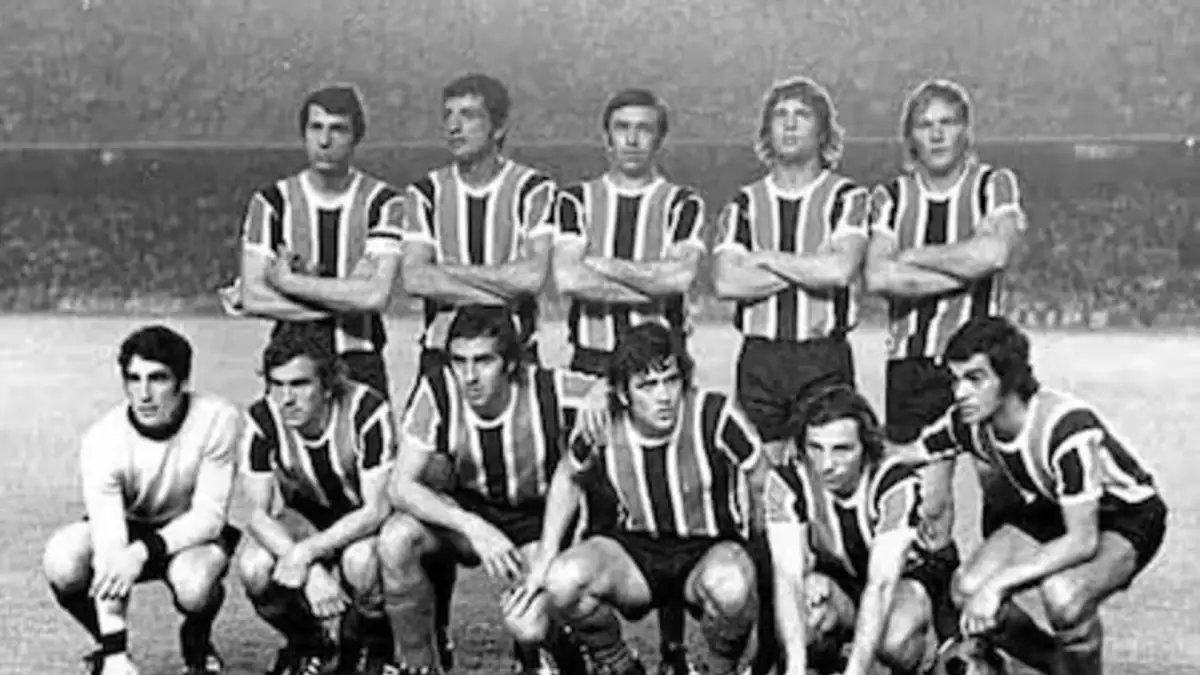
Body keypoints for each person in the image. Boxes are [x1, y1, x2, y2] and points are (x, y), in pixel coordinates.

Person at [395, 74, 558, 664]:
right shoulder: (424, 193)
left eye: (468, 114)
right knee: (430, 492)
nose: (454, 125)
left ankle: (535, 637)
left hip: (513, 361)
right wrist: (497, 280)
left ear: (499, 125)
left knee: (531, 492)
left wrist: (453, 275)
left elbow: (532, 277)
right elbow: (415, 277)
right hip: (442, 360)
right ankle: (435, 630)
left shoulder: (534, 189)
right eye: (448, 114)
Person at [862, 78, 1030, 641]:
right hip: (912, 366)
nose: (936, 134)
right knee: (928, 507)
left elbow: (996, 251)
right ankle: (951, 631)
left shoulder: (993, 184)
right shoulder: (890, 196)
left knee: (999, 490)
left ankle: (993, 614)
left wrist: (914, 257)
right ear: (911, 135)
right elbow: (879, 276)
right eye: (925, 124)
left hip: (985, 366)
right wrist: (964, 264)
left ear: (965, 130)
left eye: (947, 122)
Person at [507, 322, 769, 675]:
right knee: (563, 580)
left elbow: (762, 478)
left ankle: (721, 670)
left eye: (670, 381)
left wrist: (760, 550)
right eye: (647, 385)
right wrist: (544, 559)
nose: (663, 396)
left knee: (733, 585)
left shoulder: (715, 415)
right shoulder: (603, 421)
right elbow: (568, 476)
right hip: (635, 551)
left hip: (706, 549)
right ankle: (621, 666)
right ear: (623, 393)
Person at [913, 316, 1168, 674]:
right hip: (1058, 506)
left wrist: (998, 585)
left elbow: (1082, 541)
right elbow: (911, 452)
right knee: (968, 588)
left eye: (975, 379)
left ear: (1009, 378)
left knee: (1064, 598)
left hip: (1127, 514)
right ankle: (1057, 665)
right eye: (956, 380)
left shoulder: (1065, 428)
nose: (960, 393)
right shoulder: (969, 423)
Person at [552, 87, 706, 674]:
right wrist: (648, 279)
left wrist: (604, 264)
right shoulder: (575, 200)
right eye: (622, 127)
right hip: (590, 365)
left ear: (659, 137)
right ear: (606, 136)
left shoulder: (682, 203)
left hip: (659, 368)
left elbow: (679, 280)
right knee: (586, 496)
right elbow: (569, 279)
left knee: (668, 501)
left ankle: (673, 650)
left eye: (644, 128)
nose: (633, 138)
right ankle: (595, 647)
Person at [377, 305, 594, 675]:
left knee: (530, 624)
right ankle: (419, 666)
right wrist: (473, 527)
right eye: (459, 361)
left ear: (510, 364)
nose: (469, 376)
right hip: (468, 514)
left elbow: (614, 387)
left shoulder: (549, 388)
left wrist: (604, 395)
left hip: (533, 521)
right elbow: (400, 486)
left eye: (483, 361)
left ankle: (562, 648)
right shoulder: (439, 390)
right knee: (396, 539)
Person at [41, 326, 242, 675]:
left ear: (183, 381)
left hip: (190, 533)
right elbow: (110, 542)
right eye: (134, 379)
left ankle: (197, 638)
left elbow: (209, 517)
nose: (144, 394)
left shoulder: (218, 419)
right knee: (62, 560)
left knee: (194, 586)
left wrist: (141, 552)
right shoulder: (102, 440)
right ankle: (107, 647)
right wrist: (116, 653)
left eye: (158, 378)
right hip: (128, 528)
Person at [710, 76, 869, 465]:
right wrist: (809, 265)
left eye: (802, 115)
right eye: (780, 115)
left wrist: (765, 257)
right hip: (760, 359)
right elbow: (727, 281)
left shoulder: (847, 197)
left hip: (822, 357)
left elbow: (839, 270)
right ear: (767, 131)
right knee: (758, 476)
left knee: (825, 472)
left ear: (823, 131)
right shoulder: (745, 203)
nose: (791, 124)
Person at [222, 84, 405, 398]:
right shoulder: (271, 203)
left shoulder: (385, 202)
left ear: (356, 136)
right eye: (316, 128)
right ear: (303, 134)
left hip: (359, 360)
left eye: (338, 129)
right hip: (290, 363)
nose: (324, 141)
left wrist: (288, 283)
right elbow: (253, 297)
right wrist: (347, 300)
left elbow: (375, 297)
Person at [236, 324, 397, 675]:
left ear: (327, 385)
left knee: (360, 562)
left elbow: (377, 508)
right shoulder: (262, 418)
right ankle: (311, 643)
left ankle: (376, 647)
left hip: (363, 519)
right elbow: (257, 515)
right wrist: (308, 568)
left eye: (299, 384)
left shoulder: (366, 409)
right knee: (254, 567)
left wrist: (305, 554)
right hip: (306, 517)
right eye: (277, 384)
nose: (286, 398)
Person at [763, 385, 945, 675]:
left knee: (893, 639)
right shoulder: (787, 481)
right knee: (806, 613)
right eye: (815, 448)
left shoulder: (894, 483)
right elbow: (787, 576)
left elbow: (882, 584)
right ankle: (828, 663)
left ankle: (927, 662)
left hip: (903, 581)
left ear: (866, 448)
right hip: (843, 581)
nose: (826, 465)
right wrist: (795, 666)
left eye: (842, 449)